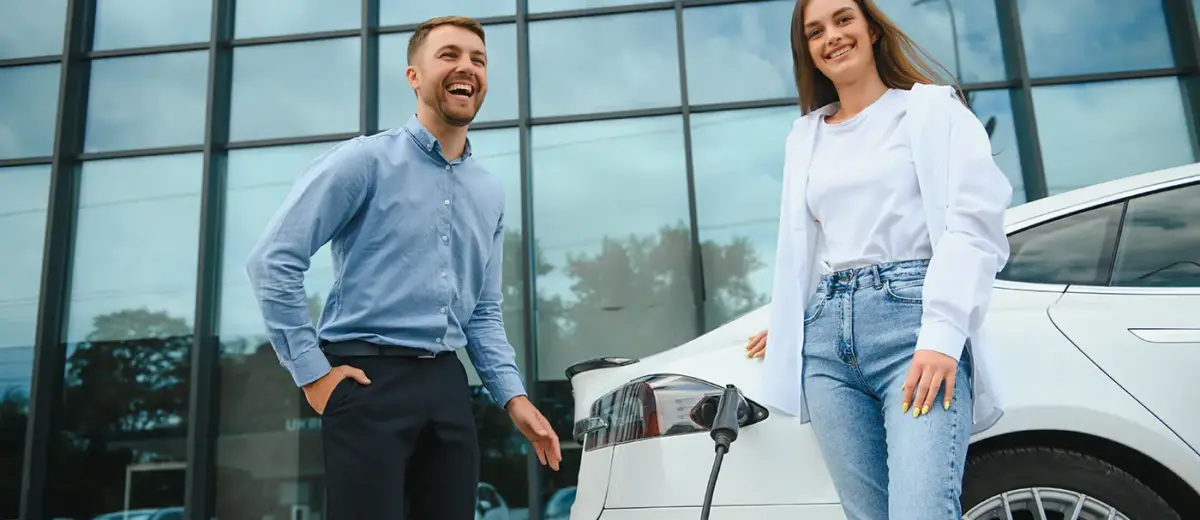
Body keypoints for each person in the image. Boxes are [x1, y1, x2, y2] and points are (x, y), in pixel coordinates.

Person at [244, 15, 561, 520]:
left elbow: (482, 311)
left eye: (478, 59)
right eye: (449, 55)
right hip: (366, 381)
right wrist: (313, 376)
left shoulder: (489, 191)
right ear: (414, 76)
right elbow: (273, 261)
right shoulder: (362, 163)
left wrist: (513, 397)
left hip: (447, 387)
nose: (467, 67)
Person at [743, 0, 1012, 518]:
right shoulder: (806, 136)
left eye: (844, 19)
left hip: (911, 327)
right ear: (809, 54)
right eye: (815, 31)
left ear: (871, 29)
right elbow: (805, 247)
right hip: (826, 344)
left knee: (921, 510)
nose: (832, 37)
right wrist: (788, 320)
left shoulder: (931, 110)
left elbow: (974, 227)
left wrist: (942, 334)